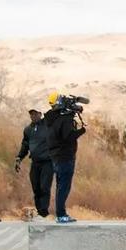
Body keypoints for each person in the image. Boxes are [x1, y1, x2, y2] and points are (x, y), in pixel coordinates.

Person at [44, 92, 87, 224]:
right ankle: (61, 214)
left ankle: (60, 213)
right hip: (65, 156)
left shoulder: (51, 118)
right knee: (64, 187)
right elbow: (68, 137)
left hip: (55, 156)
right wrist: (81, 131)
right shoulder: (65, 119)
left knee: (60, 186)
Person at [15, 109, 53, 221]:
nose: (33, 115)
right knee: (36, 188)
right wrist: (19, 158)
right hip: (35, 162)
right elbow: (25, 145)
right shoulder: (28, 130)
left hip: (48, 162)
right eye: (31, 114)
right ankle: (39, 212)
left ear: (40, 114)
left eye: (35, 113)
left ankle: (43, 213)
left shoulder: (48, 125)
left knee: (44, 187)